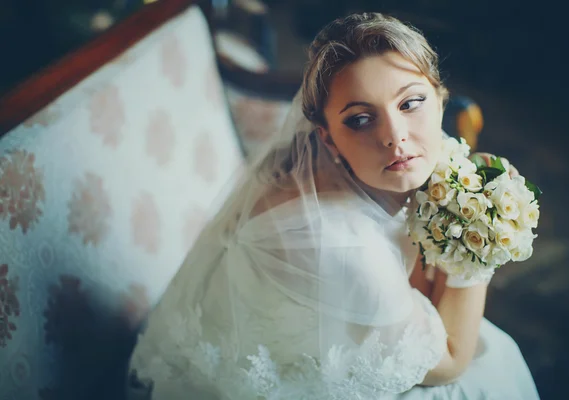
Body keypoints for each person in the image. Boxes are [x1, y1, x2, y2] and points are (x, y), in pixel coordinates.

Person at [127, 12, 539, 400]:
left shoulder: (391, 164)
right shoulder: (338, 242)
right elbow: (449, 363)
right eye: (360, 119)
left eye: (410, 103)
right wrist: (480, 242)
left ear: (440, 98)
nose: (395, 137)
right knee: (491, 369)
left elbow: (417, 287)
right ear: (327, 139)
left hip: (351, 319)